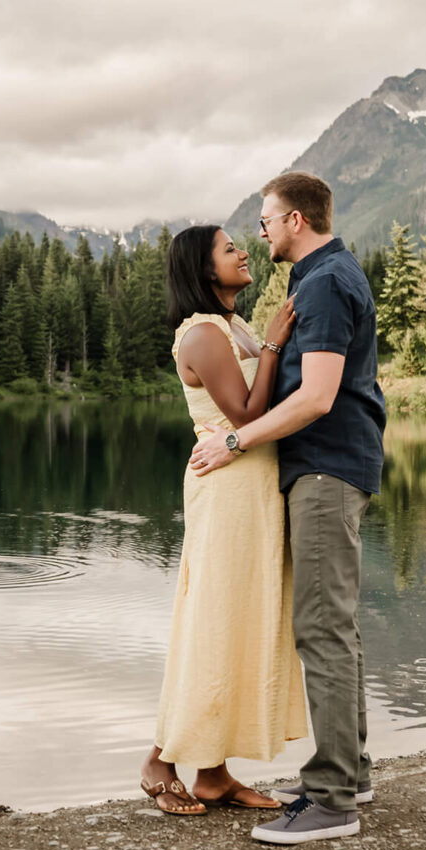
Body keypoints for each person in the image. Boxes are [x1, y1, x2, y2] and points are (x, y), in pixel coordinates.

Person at [189, 171, 386, 846]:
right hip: (328, 466)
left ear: (297, 220)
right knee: (337, 625)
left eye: (268, 219)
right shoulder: (320, 278)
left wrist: (234, 439)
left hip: (328, 467)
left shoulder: (326, 282)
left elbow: (319, 395)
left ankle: (332, 800)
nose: (262, 232)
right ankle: (349, 771)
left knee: (322, 627)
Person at [141, 225, 308, 816]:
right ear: (204, 269)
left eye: (242, 242)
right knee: (214, 617)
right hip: (228, 488)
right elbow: (246, 412)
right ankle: (159, 759)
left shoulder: (227, 326)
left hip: (253, 486)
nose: (242, 251)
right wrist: (272, 346)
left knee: (233, 618)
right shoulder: (204, 335)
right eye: (228, 247)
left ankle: (212, 774)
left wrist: (266, 344)